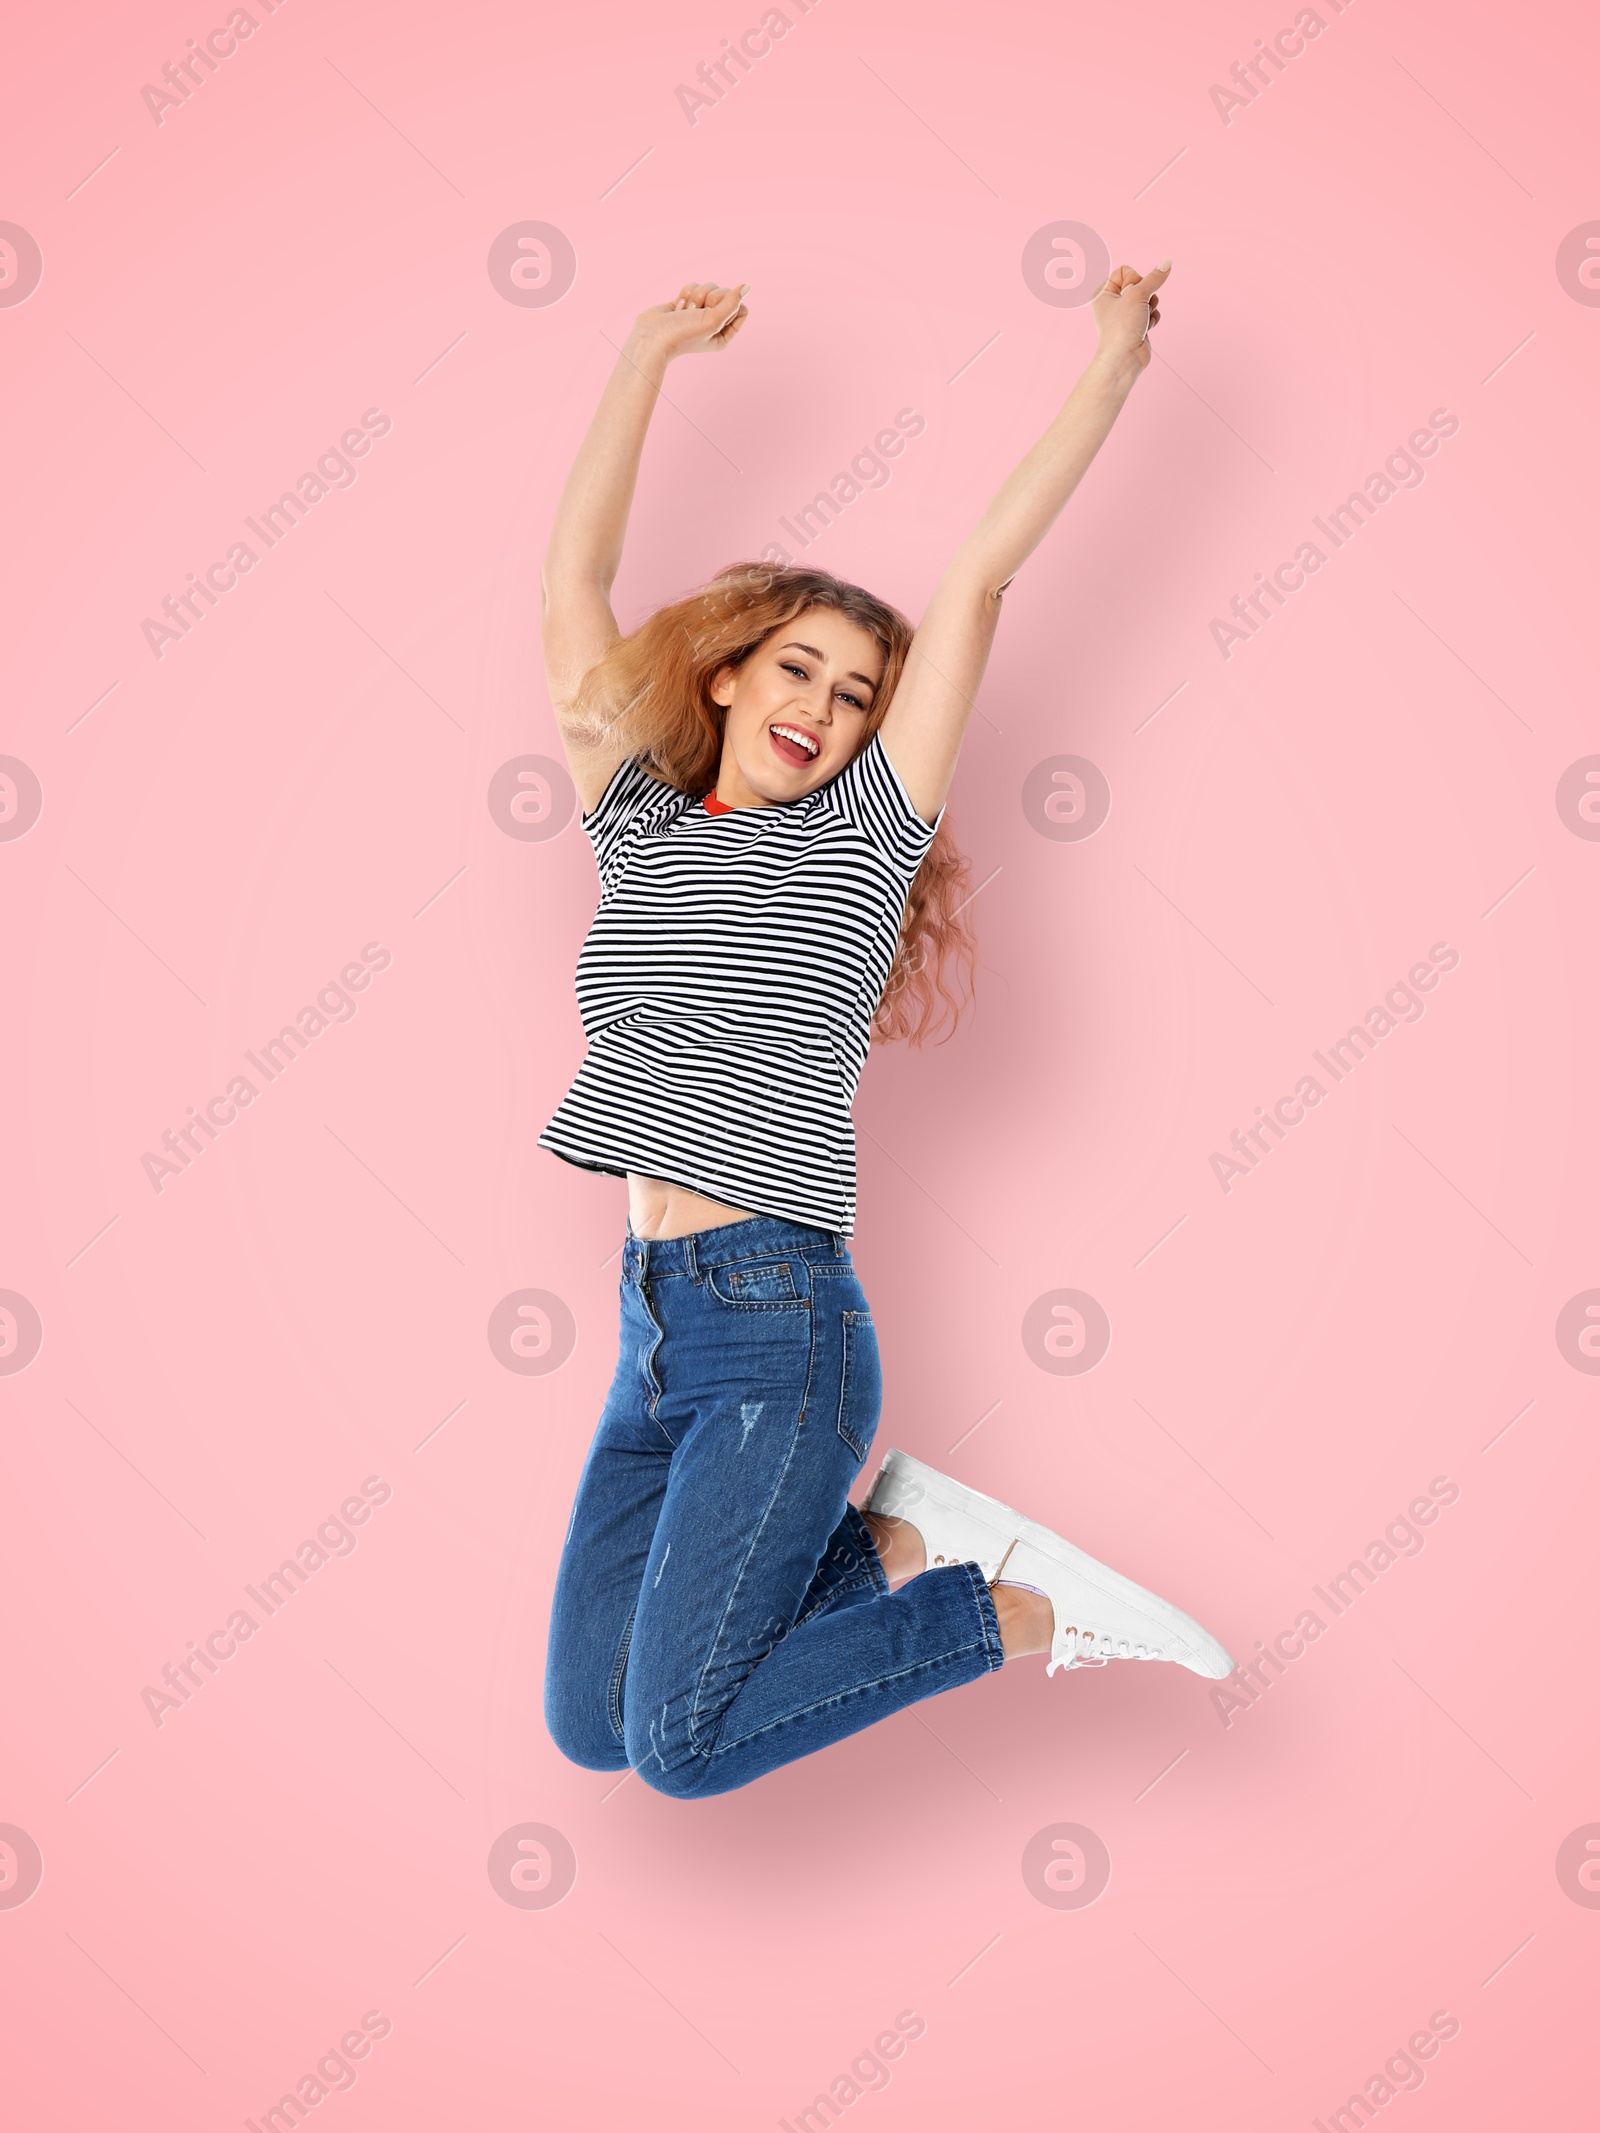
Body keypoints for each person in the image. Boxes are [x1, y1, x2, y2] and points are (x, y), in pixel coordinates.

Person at [538, 269, 1232, 1800]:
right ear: (725, 673)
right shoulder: (642, 824)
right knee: (595, 1718)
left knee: (681, 1748)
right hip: (656, 1323)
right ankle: (904, 1540)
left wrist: (1117, 354)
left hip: (780, 1321)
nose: (827, 706)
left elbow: (979, 577)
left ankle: (1007, 1607)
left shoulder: (860, 840)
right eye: (798, 668)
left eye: (858, 696)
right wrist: (643, 357)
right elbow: (570, 585)